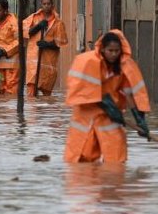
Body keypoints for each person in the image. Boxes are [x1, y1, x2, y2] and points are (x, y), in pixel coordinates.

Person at [63, 30, 151, 163]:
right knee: (83, 156)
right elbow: (84, 91)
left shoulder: (124, 66)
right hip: (87, 114)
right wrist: (107, 105)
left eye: (117, 51)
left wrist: (140, 119)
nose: (114, 54)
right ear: (103, 49)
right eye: (111, 50)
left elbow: (129, 94)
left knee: (116, 156)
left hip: (110, 115)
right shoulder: (87, 61)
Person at [23, 0, 68, 96]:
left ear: (52, 5)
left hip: (48, 63)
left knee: (46, 94)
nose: (46, 6)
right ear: (41, 5)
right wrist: (38, 26)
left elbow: (61, 43)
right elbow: (25, 32)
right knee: (31, 93)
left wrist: (47, 44)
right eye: (44, 4)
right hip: (33, 63)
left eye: (48, 4)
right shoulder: (33, 18)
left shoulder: (58, 23)